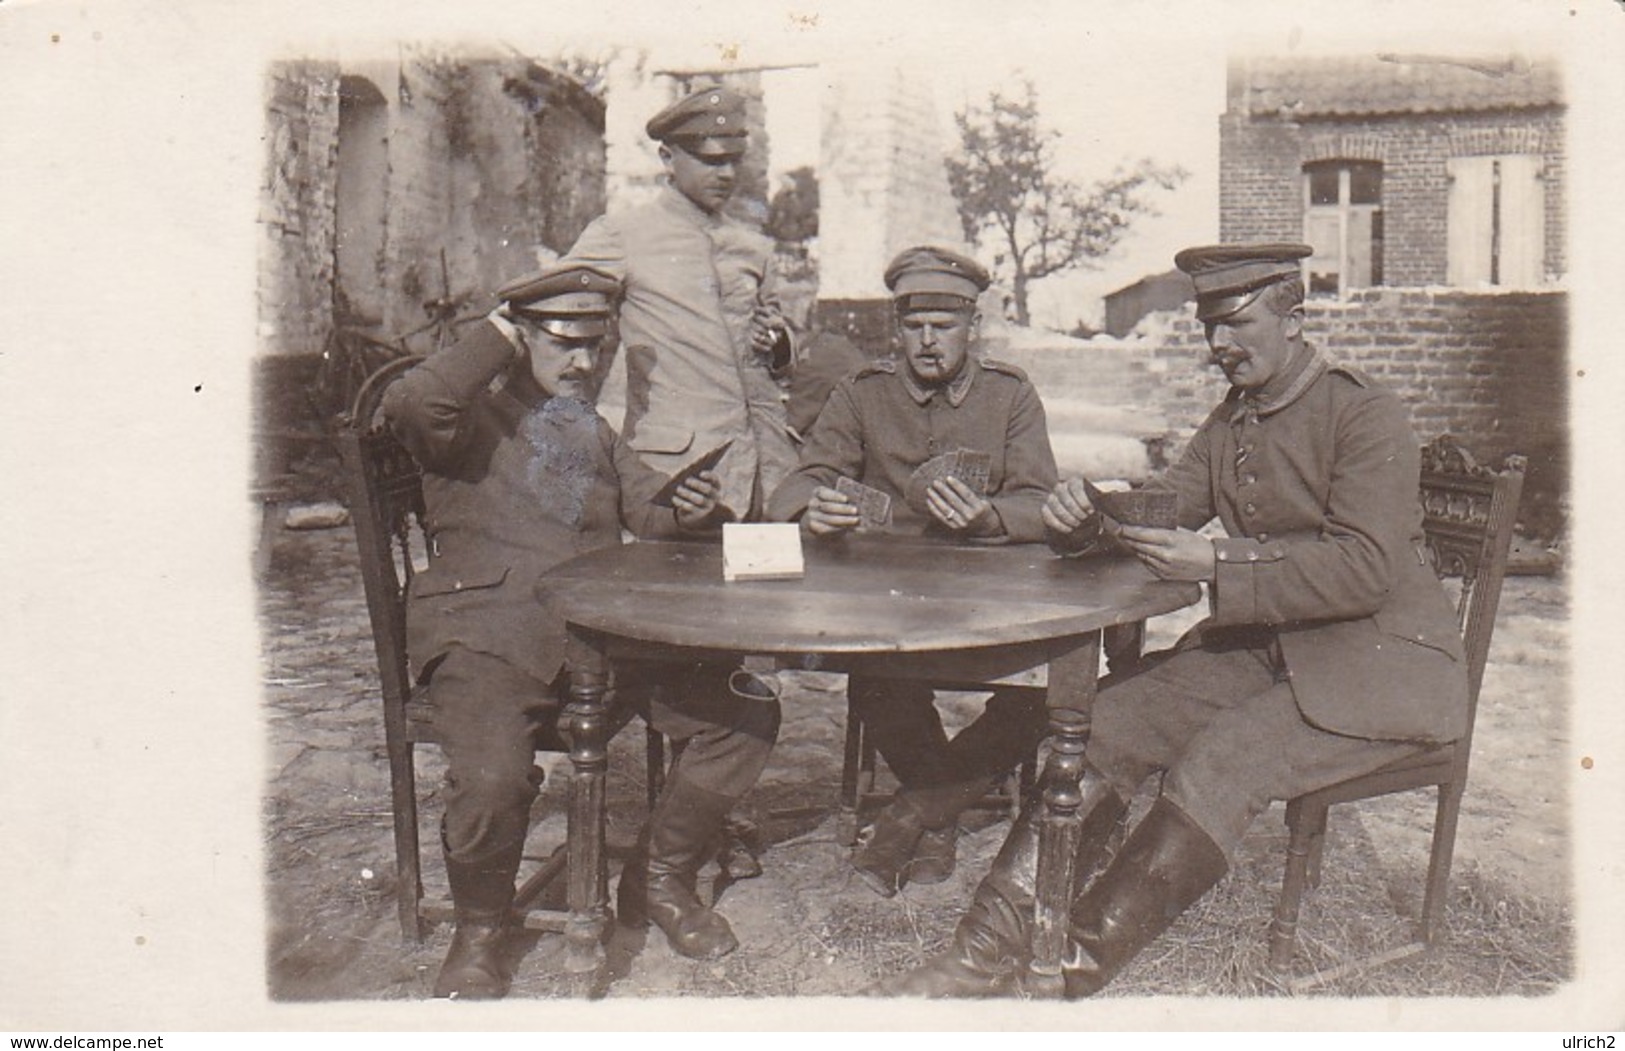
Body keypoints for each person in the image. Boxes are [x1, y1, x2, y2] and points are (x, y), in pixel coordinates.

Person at [879, 242, 1470, 998]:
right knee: (1106, 721)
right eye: (1208, 326)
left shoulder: (1363, 413)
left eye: (1235, 323)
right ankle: (976, 955)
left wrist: (1217, 566)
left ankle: (1063, 975)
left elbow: (1365, 568)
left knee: (1222, 760)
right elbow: (1166, 502)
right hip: (1272, 650)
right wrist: (1085, 512)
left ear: (1294, 319)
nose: (1218, 344)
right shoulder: (1236, 417)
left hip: (1379, 668)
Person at [382, 264, 781, 1000]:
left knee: (744, 710)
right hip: (488, 640)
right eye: (564, 343)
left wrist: (689, 508)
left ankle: (657, 878)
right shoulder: (464, 415)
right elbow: (411, 400)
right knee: (493, 778)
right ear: (517, 337)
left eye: (596, 346)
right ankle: (480, 926)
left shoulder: (589, 426)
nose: (584, 363)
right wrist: (495, 335)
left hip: (598, 641)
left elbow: (651, 516)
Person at [766, 245, 1059, 897]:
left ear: (971, 326)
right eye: (915, 326)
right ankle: (937, 819)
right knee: (875, 681)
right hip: (887, 595)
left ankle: (913, 813)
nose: (928, 342)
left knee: (1041, 695)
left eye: (944, 326)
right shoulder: (860, 393)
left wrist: (990, 518)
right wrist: (812, 506)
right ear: (896, 329)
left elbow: (1042, 499)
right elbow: (804, 477)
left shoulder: (1009, 395)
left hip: (989, 594)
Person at [562, 82, 798, 523]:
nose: (726, 174)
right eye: (711, 160)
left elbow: (780, 356)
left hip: (766, 468)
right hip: (679, 474)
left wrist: (779, 342)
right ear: (668, 158)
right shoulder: (621, 235)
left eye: (732, 161)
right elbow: (549, 307)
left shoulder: (753, 247)